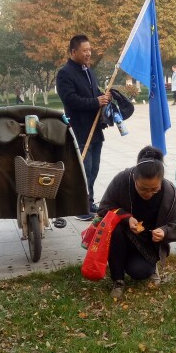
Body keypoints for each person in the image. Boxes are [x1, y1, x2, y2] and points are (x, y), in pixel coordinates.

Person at [96, 146, 176, 300]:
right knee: (116, 229)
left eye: (154, 189)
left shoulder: (169, 192)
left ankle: (144, 265)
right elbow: (104, 208)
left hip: (148, 243)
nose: (148, 194)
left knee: (139, 272)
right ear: (134, 178)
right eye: (143, 189)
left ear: (161, 181)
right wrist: (126, 218)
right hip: (121, 237)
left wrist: (164, 231)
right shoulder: (122, 180)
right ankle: (118, 280)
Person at [56, 34, 112, 221]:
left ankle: (88, 201)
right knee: (83, 170)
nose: (88, 54)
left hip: (95, 128)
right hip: (80, 130)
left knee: (94, 168)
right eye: (84, 50)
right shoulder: (65, 73)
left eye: (90, 50)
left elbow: (94, 93)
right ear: (73, 52)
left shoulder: (88, 71)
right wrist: (95, 101)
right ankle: (80, 207)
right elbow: (70, 100)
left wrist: (105, 96)